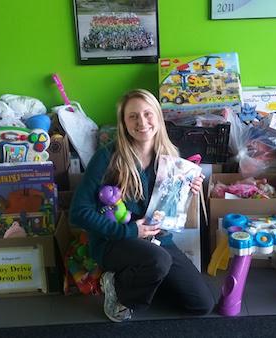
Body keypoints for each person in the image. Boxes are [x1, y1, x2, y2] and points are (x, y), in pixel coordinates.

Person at [70, 89, 215, 322]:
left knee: (201, 304)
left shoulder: (171, 159)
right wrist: (127, 231)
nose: (142, 122)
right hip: (115, 241)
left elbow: (169, 212)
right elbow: (78, 213)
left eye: (148, 114)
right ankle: (118, 289)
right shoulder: (107, 158)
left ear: (158, 117)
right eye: (133, 116)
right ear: (123, 123)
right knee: (159, 261)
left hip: (157, 241)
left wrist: (189, 191)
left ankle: (145, 279)